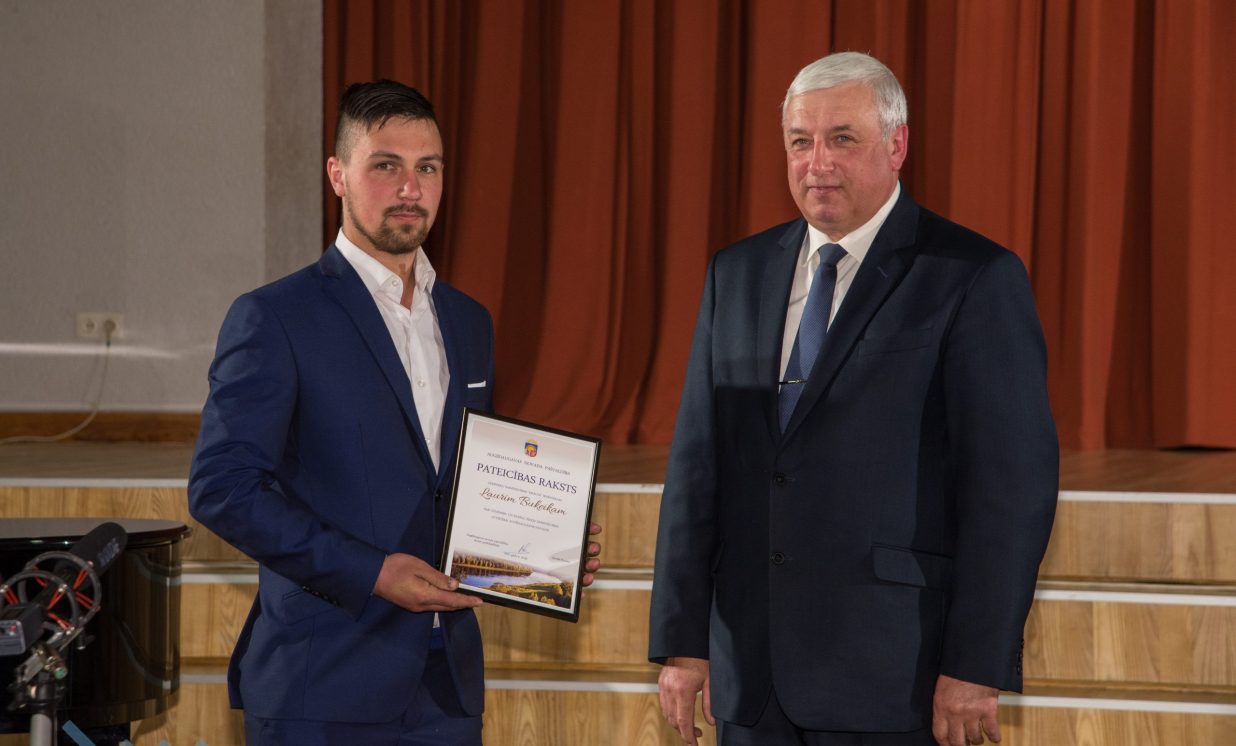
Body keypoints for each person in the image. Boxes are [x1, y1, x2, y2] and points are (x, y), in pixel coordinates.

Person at [649, 52, 1058, 746]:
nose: (818, 164)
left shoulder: (973, 277)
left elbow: (1010, 491)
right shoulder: (736, 273)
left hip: (894, 677)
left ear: (896, 145)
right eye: (800, 142)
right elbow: (697, 469)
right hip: (750, 678)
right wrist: (683, 642)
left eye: (842, 138)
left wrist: (974, 664)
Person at [189, 80, 601, 745]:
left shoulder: (468, 321)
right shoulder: (275, 317)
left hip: (447, 687)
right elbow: (222, 488)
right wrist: (372, 573)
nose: (411, 188)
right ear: (338, 175)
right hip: (322, 683)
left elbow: (463, 485)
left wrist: (545, 552)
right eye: (386, 165)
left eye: (428, 168)